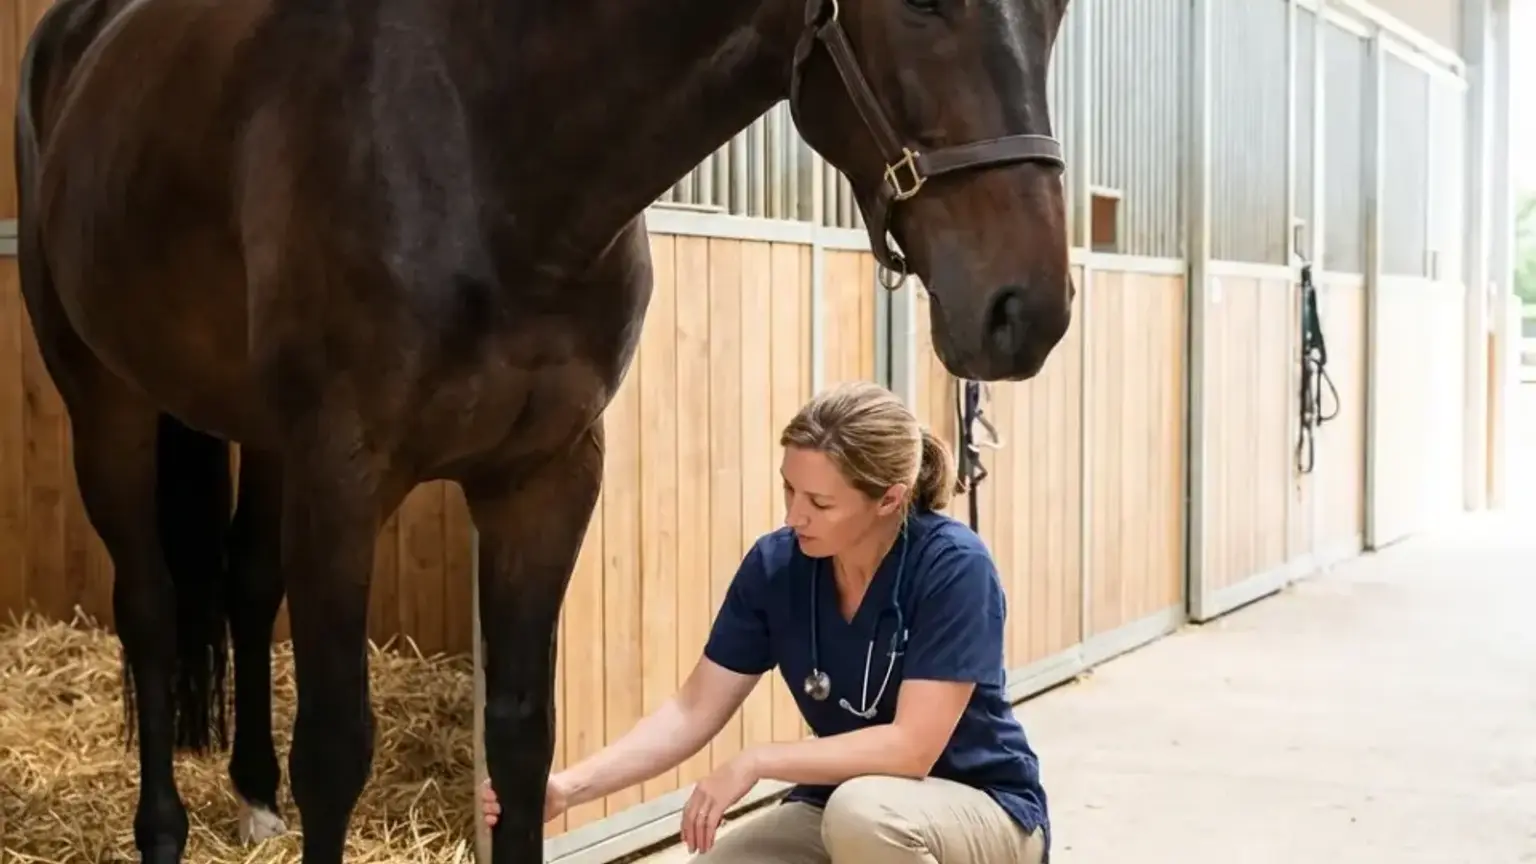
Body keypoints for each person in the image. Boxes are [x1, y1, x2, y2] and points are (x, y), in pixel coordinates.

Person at [481, 380, 1052, 862]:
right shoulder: (779, 565)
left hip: (979, 807)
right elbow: (692, 709)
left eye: (820, 503)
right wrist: (565, 788)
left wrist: (758, 760)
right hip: (840, 805)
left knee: (864, 816)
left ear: (888, 499)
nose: (793, 515)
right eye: (788, 488)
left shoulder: (953, 566)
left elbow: (911, 749)